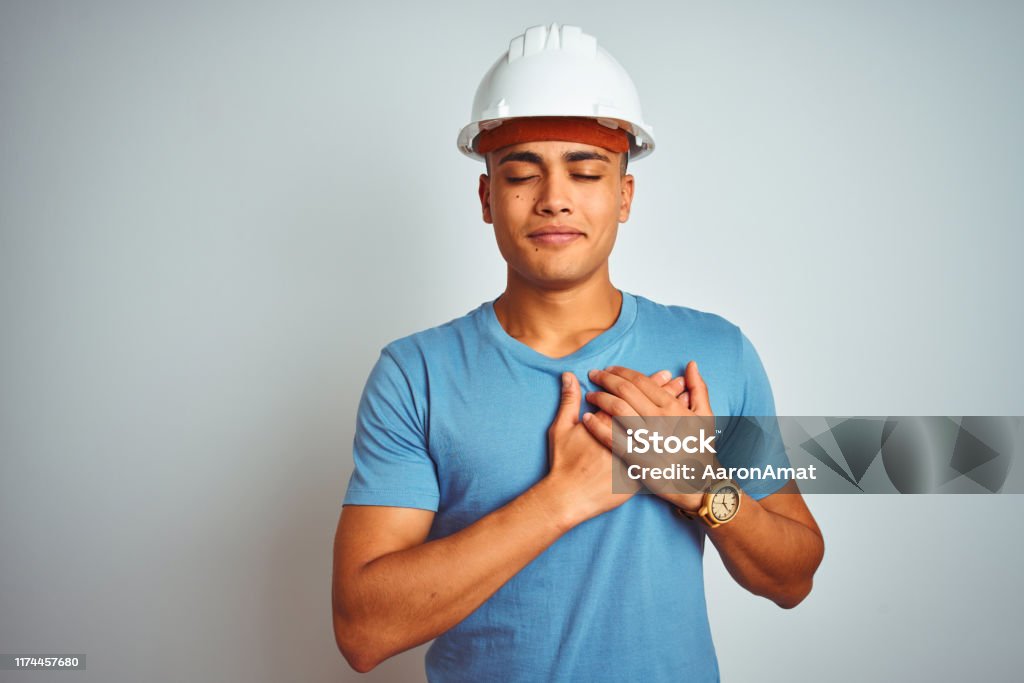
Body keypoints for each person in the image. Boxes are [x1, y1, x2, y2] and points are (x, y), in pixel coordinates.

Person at [332, 23, 824, 682]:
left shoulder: (715, 353)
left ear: (624, 194)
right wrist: (560, 498)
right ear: (486, 198)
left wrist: (703, 486)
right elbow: (363, 630)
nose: (555, 197)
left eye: (586, 170)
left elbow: (793, 575)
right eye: (521, 173)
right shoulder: (415, 374)